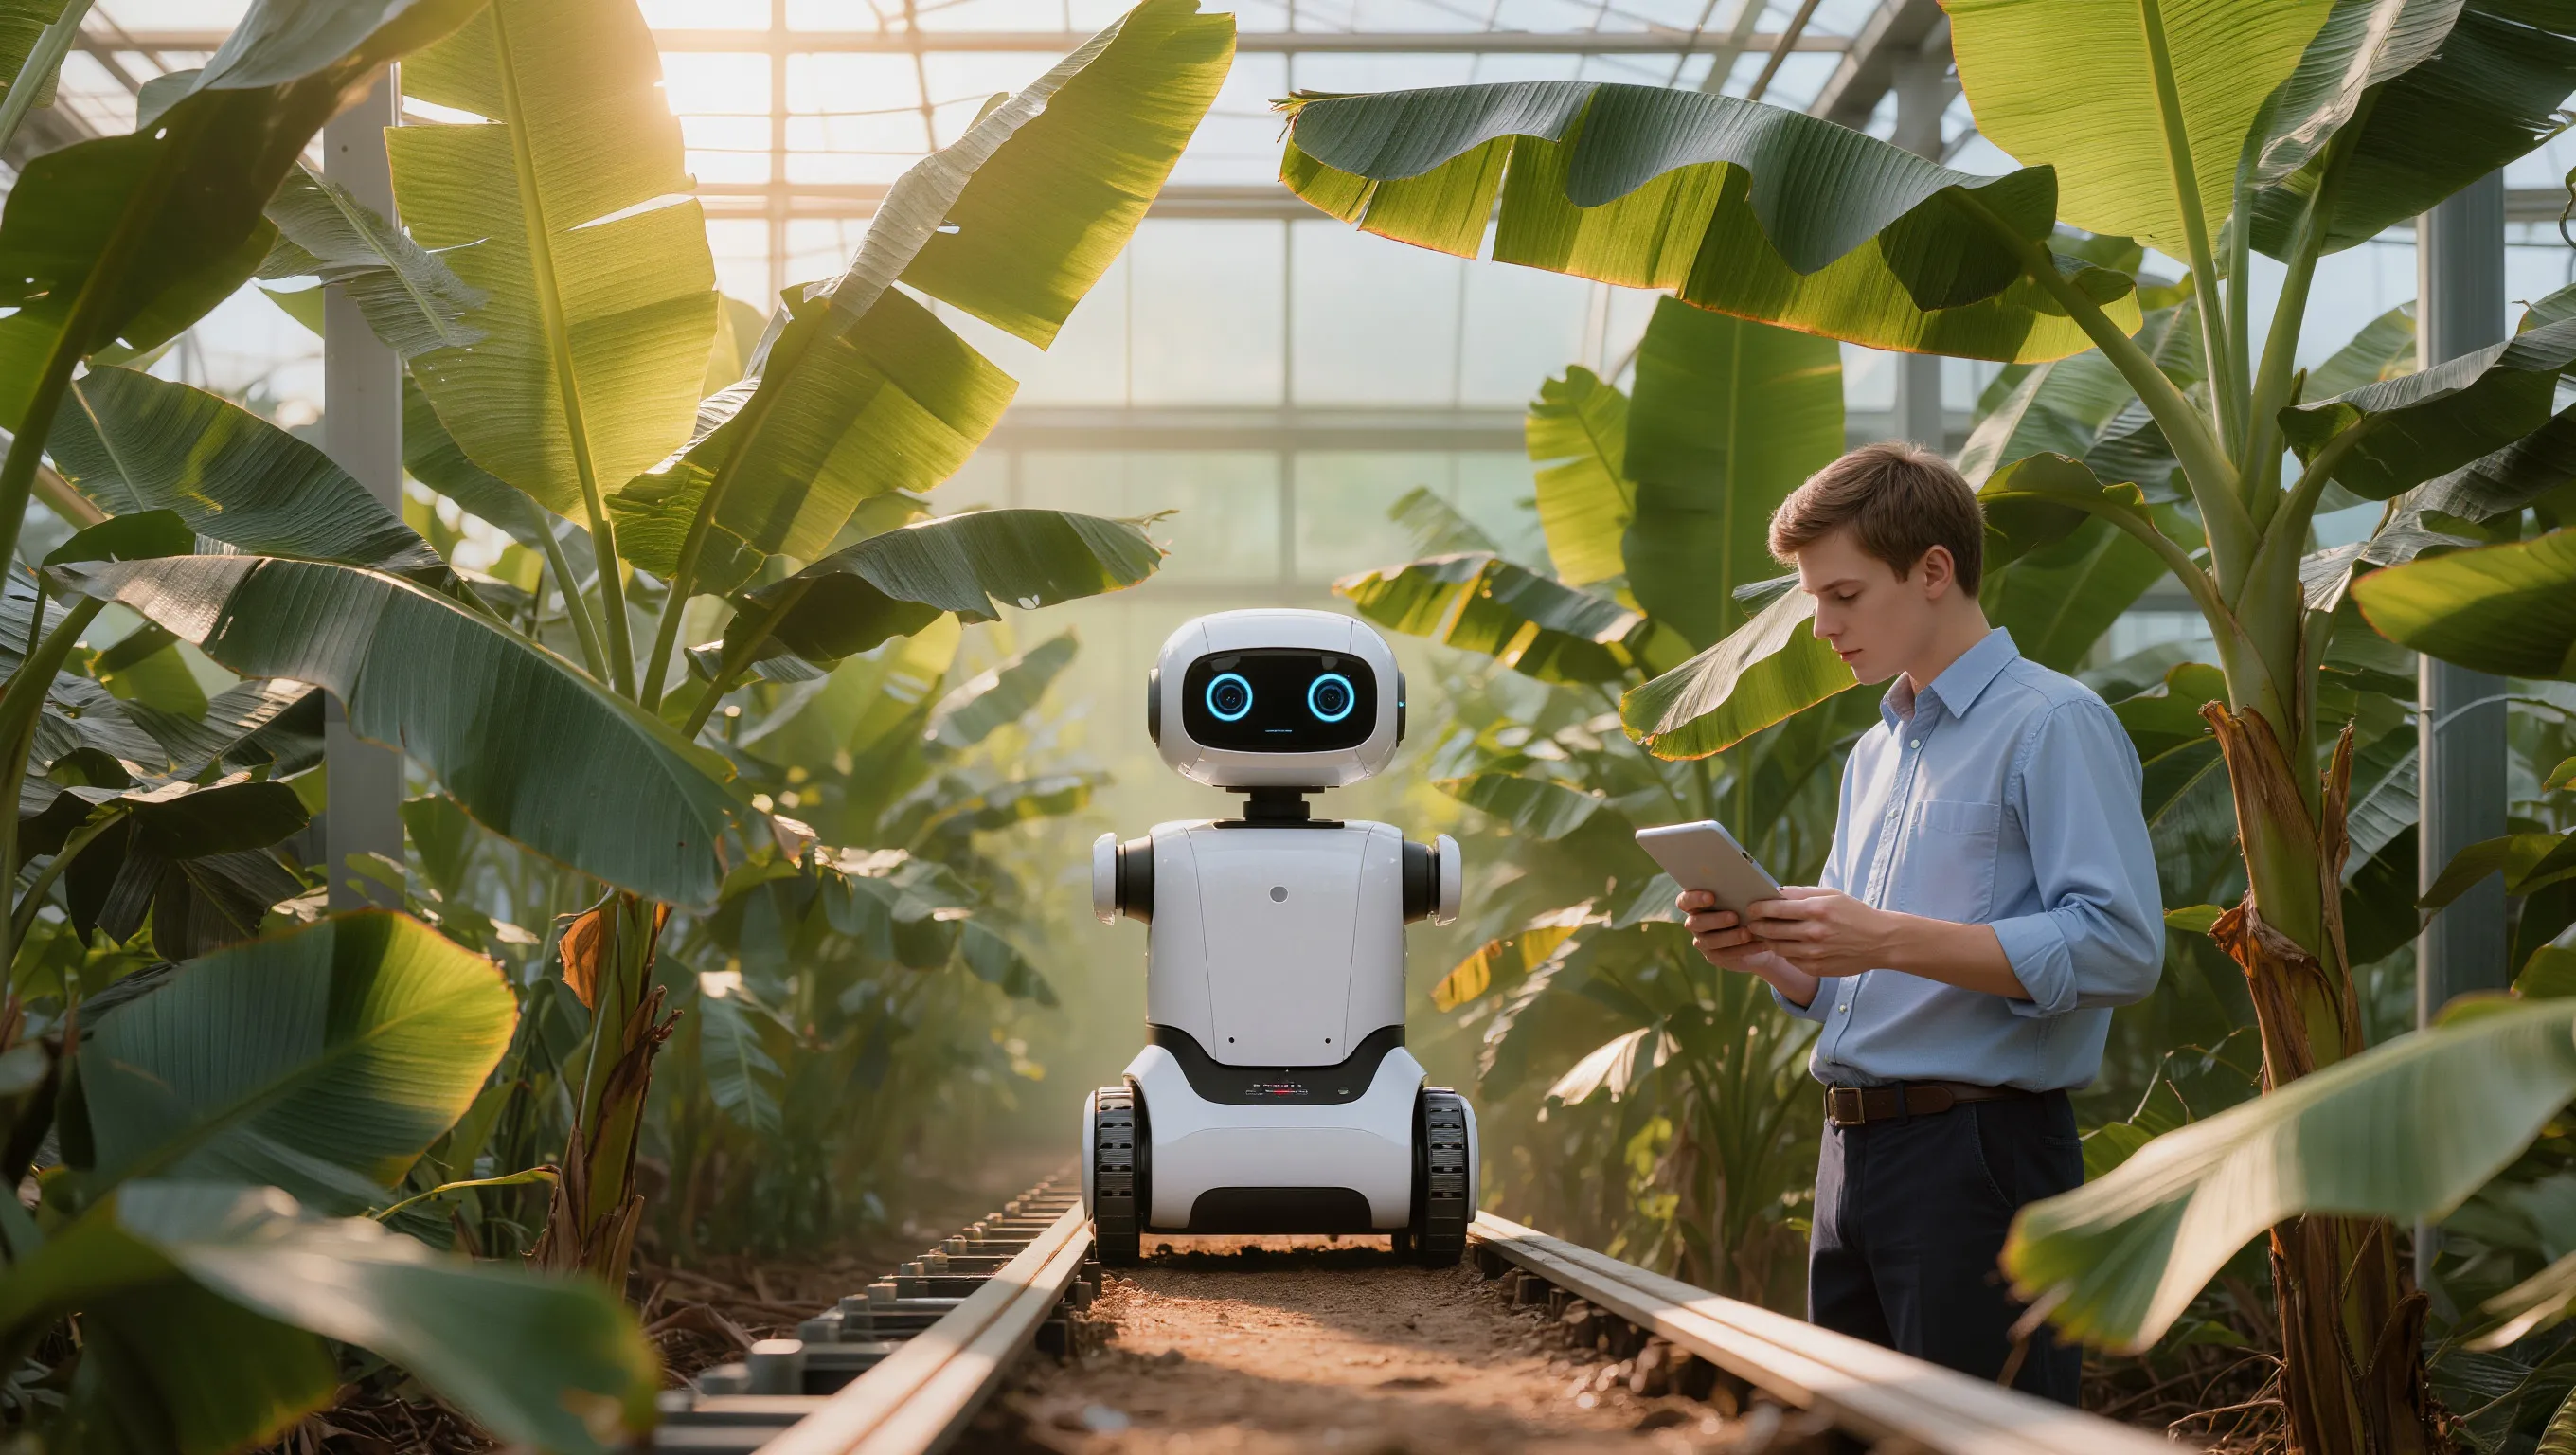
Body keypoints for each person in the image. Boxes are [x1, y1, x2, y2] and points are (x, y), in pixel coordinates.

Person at [1679, 440, 2162, 1404]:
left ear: (1933, 570)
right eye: (1813, 599)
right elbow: (1855, 978)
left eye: (1842, 595)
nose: (1820, 626)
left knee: (1976, 1436)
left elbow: (2119, 947)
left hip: (1978, 1158)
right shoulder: (1875, 751)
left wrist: (1885, 936)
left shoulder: (2050, 724)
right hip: (1851, 1157)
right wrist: (1779, 959)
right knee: (1855, 1430)